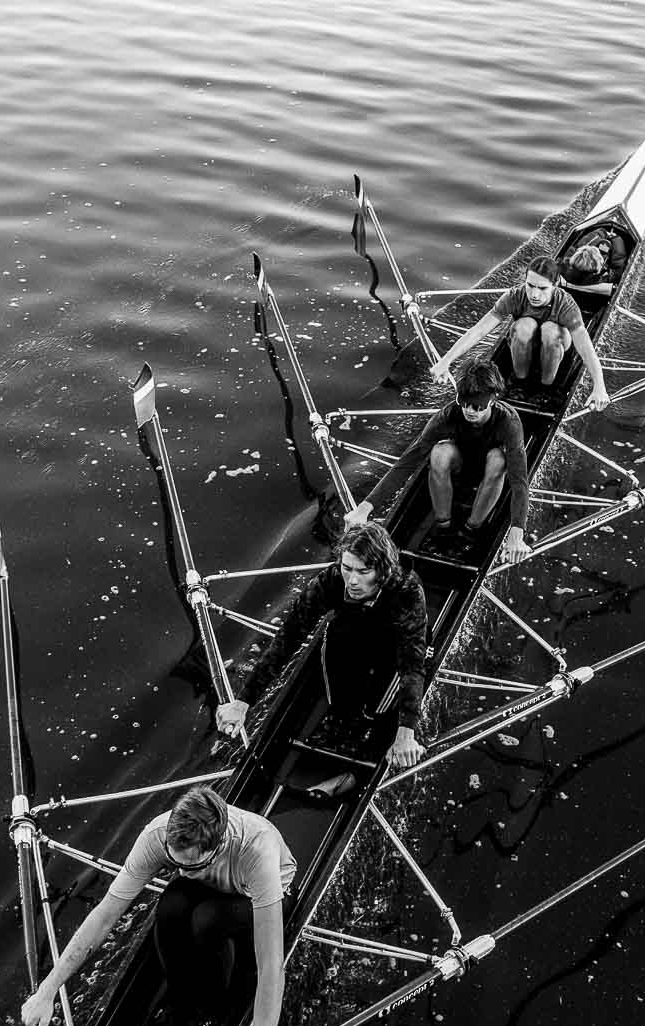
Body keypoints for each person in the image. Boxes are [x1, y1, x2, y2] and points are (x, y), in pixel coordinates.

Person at [21, 785, 293, 1026]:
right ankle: (179, 1000)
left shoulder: (255, 849)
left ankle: (210, 1014)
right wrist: (48, 990)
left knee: (207, 920)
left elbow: (271, 964)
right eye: (174, 862)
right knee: (170, 907)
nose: (178, 870)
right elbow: (105, 915)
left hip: (261, 897)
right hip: (208, 885)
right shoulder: (157, 835)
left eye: (189, 865)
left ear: (217, 848)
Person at [215, 520, 428, 795]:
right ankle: (340, 715)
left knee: (377, 706)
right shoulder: (332, 580)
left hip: (393, 646)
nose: (352, 580)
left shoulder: (407, 591)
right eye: (347, 567)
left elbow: (412, 665)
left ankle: (373, 726)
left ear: (382, 571)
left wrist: (406, 732)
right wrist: (243, 702)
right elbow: (288, 637)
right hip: (351, 630)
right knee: (333, 650)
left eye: (363, 572)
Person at [345, 360, 533, 566]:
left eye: (478, 406)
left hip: (492, 474)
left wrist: (517, 532)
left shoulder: (509, 422)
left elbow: (519, 480)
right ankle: (443, 526)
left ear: (493, 401)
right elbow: (407, 462)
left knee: (498, 458)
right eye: (465, 403)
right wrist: (364, 509)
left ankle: (471, 529)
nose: (470, 411)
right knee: (438, 452)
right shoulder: (447, 415)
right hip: (460, 467)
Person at [432, 255, 611, 409]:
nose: (534, 294)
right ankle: (520, 382)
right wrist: (445, 361)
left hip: (557, 346)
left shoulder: (566, 304)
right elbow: (478, 331)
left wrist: (600, 387)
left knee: (549, 330)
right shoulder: (514, 296)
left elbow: (586, 349)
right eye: (530, 285)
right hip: (525, 342)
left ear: (555, 285)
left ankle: (547, 387)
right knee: (524, 325)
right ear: (524, 280)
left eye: (542, 288)